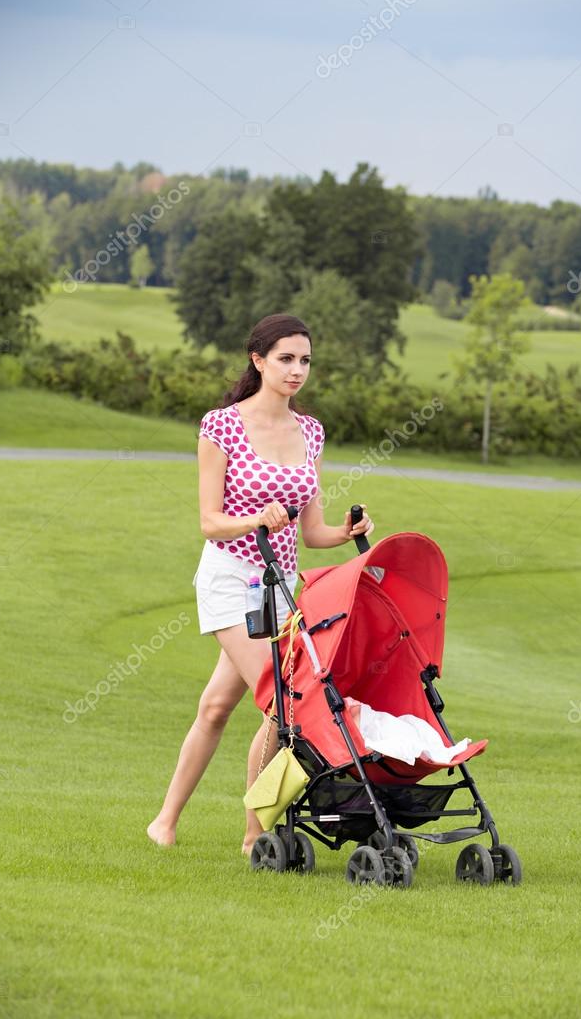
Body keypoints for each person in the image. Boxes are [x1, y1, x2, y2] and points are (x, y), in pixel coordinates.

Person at [147, 313, 374, 854]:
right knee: (284, 704)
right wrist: (256, 519)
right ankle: (256, 834)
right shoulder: (221, 425)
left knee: (215, 708)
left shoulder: (311, 431)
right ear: (258, 360)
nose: (297, 371)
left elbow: (311, 531)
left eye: (305, 361)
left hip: (279, 587)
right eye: (286, 359)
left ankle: (164, 821)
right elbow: (209, 520)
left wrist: (348, 530)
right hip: (230, 579)